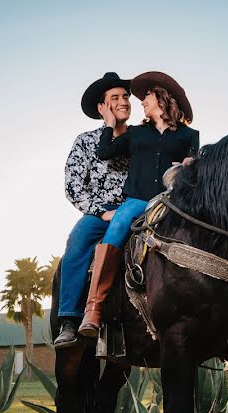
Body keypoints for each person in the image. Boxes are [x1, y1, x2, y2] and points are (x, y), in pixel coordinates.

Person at [78, 71, 200, 337]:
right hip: (136, 201)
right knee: (120, 221)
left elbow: (193, 166)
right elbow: (105, 152)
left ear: (163, 98)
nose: (141, 101)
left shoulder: (190, 136)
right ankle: (94, 309)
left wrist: (190, 166)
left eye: (147, 96)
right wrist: (110, 123)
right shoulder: (136, 133)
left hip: (172, 202)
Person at [53, 72, 133, 348]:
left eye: (125, 96)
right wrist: (101, 212)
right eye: (115, 98)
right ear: (102, 108)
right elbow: (73, 185)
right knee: (77, 241)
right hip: (101, 213)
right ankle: (69, 320)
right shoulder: (85, 142)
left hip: (138, 209)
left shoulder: (141, 139)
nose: (123, 101)